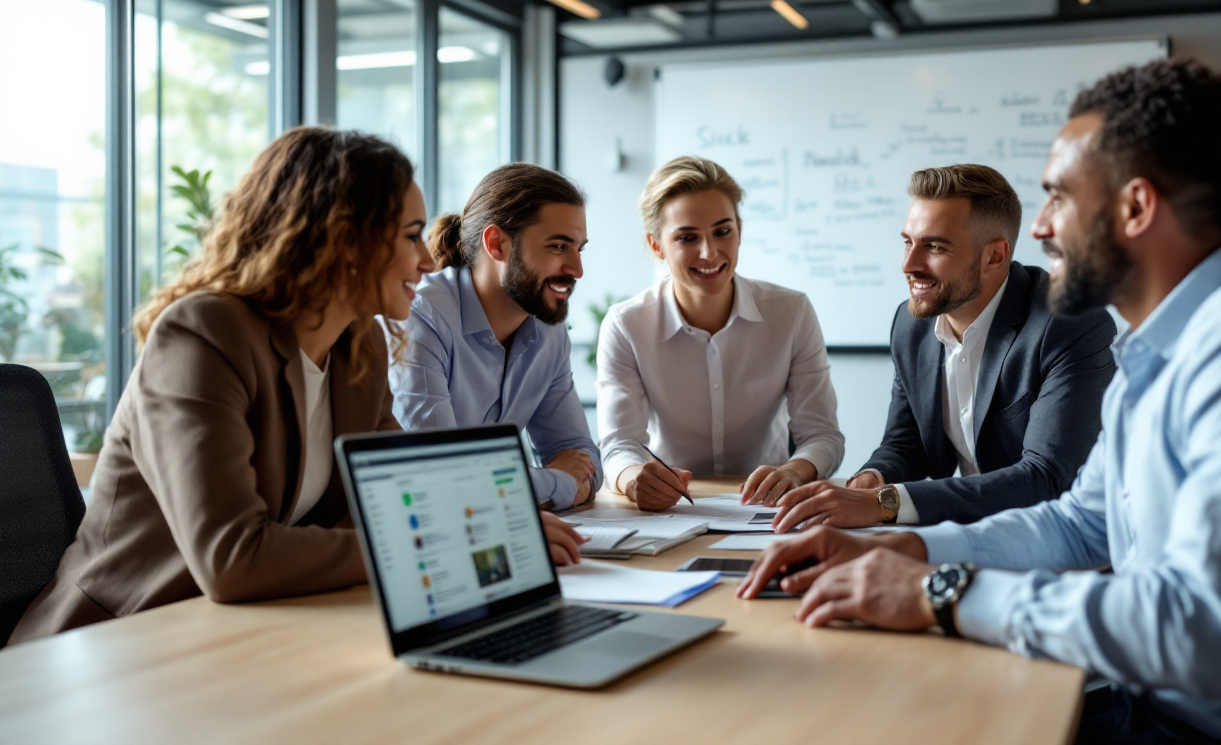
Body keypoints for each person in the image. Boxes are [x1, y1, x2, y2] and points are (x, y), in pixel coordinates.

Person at [738, 59, 1221, 744]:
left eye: (1058, 197)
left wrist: (941, 593)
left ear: (1136, 207)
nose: (1043, 227)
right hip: (1141, 700)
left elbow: (1200, 631)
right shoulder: (1167, 341)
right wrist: (907, 550)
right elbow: (1078, 527)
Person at [9, 129, 586, 645]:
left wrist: (486, 524)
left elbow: (400, 496)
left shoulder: (357, 348)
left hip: (250, 634)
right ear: (344, 239)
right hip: (119, 644)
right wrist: (460, 537)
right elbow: (234, 556)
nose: (425, 261)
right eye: (409, 236)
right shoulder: (202, 333)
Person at [771, 164, 1116, 531]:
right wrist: (870, 480)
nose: (909, 265)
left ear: (995, 257)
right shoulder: (911, 325)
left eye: (934, 246)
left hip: (1060, 543)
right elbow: (907, 445)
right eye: (908, 242)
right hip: (964, 535)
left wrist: (883, 504)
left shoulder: (1068, 324)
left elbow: (1045, 479)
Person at [596, 156, 844, 511]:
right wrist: (635, 478)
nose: (709, 252)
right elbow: (619, 444)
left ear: (739, 230)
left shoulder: (791, 312)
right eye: (687, 237)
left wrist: (793, 471)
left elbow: (823, 435)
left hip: (768, 507)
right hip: (670, 508)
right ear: (656, 245)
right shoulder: (626, 324)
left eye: (722, 231)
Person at [388, 163, 600, 510]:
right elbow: (443, 474)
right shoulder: (422, 317)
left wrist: (518, 484)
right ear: (496, 244)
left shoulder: (549, 331)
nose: (577, 269)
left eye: (580, 249)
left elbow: (583, 458)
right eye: (559, 247)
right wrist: (556, 482)